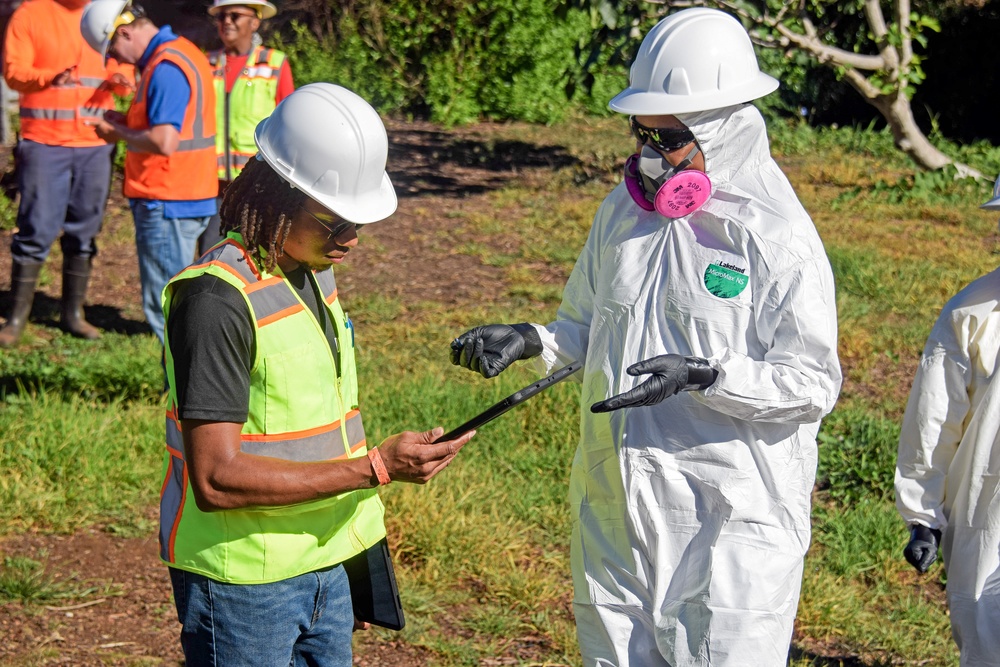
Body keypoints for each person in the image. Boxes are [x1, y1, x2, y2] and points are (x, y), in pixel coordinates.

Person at [449, 8, 841, 666]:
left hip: (729, 527)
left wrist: (706, 376)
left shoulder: (778, 239)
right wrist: (530, 338)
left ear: (723, 130)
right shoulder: (623, 212)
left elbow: (811, 384)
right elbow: (587, 322)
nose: (652, 157)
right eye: (644, 136)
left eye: (671, 140)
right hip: (619, 512)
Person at [156, 81, 474, 666]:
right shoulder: (214, 301)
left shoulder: (309, 271)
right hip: (246, 582)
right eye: (335, 224)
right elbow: (216, 477)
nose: (351, 240)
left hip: (325, 564)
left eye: (357, 222)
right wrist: (376, 467)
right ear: (277, 198)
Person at [894, 176, 1000, 664]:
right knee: (987, 633)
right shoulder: (973, 311)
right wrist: (924, 517)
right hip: (990, 513)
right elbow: (934, 418)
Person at [79, 0, 217, 345]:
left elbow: (164, 140)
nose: (117, 60)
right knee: (180, 302)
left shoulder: (165, 67)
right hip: (190, 193)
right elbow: (172, 126)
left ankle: (180, 393)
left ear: (124, 32)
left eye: (113, 49)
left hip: (167, 200)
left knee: (166, 306)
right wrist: (125, 122)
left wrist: (115, 133)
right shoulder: (181, 53)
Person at [0, 0, 133, 347]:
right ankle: (16, 319)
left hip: (94, 144)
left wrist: (121, 81)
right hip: (45, 145)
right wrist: (49, 76)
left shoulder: (105, 14)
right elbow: (14, 72)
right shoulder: (30, 15)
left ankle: (73, 314)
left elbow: (125, 65)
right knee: (34, 230)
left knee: (85, 231)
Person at [197, 0, 294, 256]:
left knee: (256, 252)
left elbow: (289, 123)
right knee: (210, 252)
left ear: (254, 22)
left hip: (257, 181)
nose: (226, 21)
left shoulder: (275, 63)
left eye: (234, 15)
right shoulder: (206, 64)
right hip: (211, 182)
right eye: (221, 17)